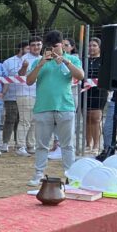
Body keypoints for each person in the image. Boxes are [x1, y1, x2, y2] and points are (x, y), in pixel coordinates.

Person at [25, 30, 84, 186]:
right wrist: (41, 64)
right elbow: (29, 81)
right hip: (43, 107)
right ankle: (38, 174)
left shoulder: (72, 59)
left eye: (56, 46)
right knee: (41, 144)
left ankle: (70, 176)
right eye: (50, 46)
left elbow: (80, 76)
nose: (54, 49)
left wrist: (65, 61)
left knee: (67, 144)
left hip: (65, 106)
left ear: (62, 44)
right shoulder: (39, 61)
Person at [2, 42, 28, 153]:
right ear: (21, 49)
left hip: (27, 95)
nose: (30, 50)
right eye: (28, 48)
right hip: (11, 96)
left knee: (23, 120)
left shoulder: (34, 60)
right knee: (10, 119)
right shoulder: (8, 62)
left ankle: (19, 143)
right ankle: (5, 143)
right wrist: (3, 93)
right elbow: (3, 79)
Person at [83, 38, 108, 154]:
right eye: (90, 46)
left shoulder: (103, 61)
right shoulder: (84, 60)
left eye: (94, 45)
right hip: (85, 92)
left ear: (99, 47)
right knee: (87, 118)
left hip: (99, 92)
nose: (91, 48)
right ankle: (88, 144)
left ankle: (96, 145)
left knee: (96, 118)